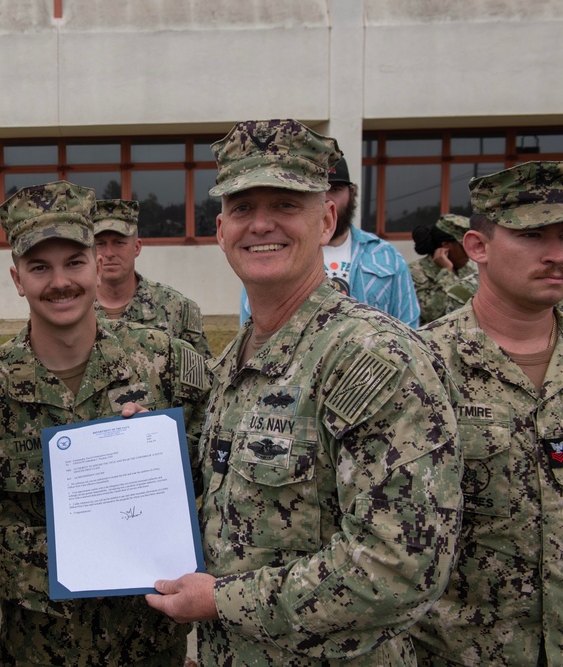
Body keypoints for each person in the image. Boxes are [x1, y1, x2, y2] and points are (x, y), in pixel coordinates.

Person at [145, 119, 462, 666]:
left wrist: (221, 602)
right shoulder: (233, 365)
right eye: (243, 207)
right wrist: (140, 454)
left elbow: (396, 567)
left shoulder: (372, 358)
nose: (261, 224)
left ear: (327, 219)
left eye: (287, 204)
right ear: (221, 229)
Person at [0, 181, 211, 666]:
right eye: (40, 267)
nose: (60, 282)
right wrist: (78, 564)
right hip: (41, 651)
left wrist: (162, 460)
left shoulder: (163, 364)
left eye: (74, 262)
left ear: (97, 266)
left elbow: (217, 478)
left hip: (152, 649)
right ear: (17, 279)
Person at [412, 161, 563, 665]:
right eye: (534, 235)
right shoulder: (422, 362)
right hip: (465, 650)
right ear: (477, 247)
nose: (556, 254)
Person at [239, 156, 421, 328]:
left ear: (352, 193)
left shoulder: (386, 257)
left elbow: (410, 332)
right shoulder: (276, 253)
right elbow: (251, 330)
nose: (326, 198)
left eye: (336, 189)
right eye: (317, 190)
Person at [92, 198, 211, 358]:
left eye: (119, 243)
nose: (109, 253)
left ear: (137, 247)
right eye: (100, 244)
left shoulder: (177, 308)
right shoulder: (73, 309)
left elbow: (202, 378)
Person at [410, 213, 475, 325]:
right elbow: (430, 313)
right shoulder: (414, 272)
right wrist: (447, 272)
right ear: (446, 245)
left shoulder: (468, 271)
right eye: (465, 248)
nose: (469, 255)